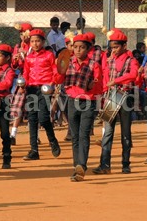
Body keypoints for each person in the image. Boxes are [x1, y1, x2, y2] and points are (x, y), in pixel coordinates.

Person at [54, 34, 102, 181]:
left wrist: (93, 85)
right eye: (75, 47)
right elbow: (57, 79)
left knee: (84, 134)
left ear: (88, 49)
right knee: (74, 136)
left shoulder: (94, 64)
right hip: (72, 100)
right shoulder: (67, 62)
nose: (78, 50)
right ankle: (77, 168)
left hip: (88, 101)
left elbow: (99, 86)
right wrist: (59, 68)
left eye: (82, 47)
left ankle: (82, 165)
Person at [93, 29, 139, 174]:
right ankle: (104, 165)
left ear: (124, 46)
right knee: (107, 132)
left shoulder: (131, 60)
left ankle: (126, 164)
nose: (113, 50)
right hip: (111, 96)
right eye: (112, 47)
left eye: (116, 47)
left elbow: (133, 75)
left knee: (126, 132)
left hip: (124, 96)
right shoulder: (110, 59)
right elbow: (105, 76)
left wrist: (116, 80)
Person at [21, 29, 61, 160]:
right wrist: (22, 85)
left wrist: (53, 84)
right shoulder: (29, 57)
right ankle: (34, 150)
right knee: (32, 119)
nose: (35, 44)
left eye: (38, 41)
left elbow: (55, 71)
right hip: (31, 88)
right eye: (32, 41)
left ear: (43, 42)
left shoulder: (49, 55)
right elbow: (26, 73)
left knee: (43, 118)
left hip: (45, 89)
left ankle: (52, 140)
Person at [9, 22, 33, 145]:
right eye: (21, 33)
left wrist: (25, 57)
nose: (23, 36)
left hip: (34, 78)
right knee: (18, 104)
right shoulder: (18, 47)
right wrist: (15, 60)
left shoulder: (34, 46)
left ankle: (35, 134)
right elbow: (14, 66)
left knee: (34, 107)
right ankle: (13, 133)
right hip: (22, 78)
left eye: (25, 33)